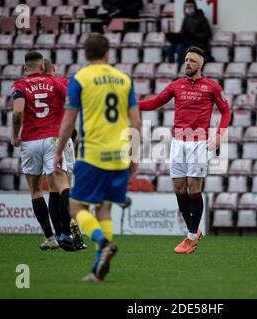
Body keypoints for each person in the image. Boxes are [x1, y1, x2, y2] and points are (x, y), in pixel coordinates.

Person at [54, 34, 141, 282]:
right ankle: (96, 270)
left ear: (85, 54)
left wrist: (59, 150)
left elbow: (69, 120)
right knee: (104, 211)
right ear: (107, 53)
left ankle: (103, 243)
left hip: (92, 155)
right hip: (119, 157)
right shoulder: (124, 79)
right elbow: (136, 121)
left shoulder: (79, 78)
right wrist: (134, 155)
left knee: (75, 206)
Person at [139, 47, 231, 254]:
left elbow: (226, 112)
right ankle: (194, 230)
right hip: (178, 143)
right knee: (179, 189)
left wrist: (218, 136)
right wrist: (132, 104)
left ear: (200, 64)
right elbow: (154, 103)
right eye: (186, 60)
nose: (187, 63)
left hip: (198, 142)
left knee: (193, 186)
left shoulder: (212, 87)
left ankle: (190, 238)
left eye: (191, 60)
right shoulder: (176, 85)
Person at [11, 51, 76, 252]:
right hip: (53, 139)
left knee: (36, 190)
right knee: (63, 185)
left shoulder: (20, 85)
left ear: (25, 68)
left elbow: (17, 112)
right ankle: (67, 229)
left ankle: (50, 237)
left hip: (30, 142)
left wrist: (15, 135)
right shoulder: (54, 83)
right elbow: (72, 101)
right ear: (43, 67)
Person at [42, 58, 85, 251]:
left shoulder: (29, 87)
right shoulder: (63, 83)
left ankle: (58, 234)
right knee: (64, 185)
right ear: (54, 69)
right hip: (59, 138)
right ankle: (67, 234)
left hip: (39, 140)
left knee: (53, 188)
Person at [166, 0, 212, 66]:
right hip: (186, 41)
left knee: (180, 48)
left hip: (198, 42)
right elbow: (182, 32)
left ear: (195, 7)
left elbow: (208, 33)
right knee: (170, 48)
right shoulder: (186, 18)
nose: (188, 8)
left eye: (190, 6)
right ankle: (171, 68)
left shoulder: (202, 18)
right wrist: (175, 37)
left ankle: (182, 69)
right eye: (187, 6)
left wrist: (195, 36)